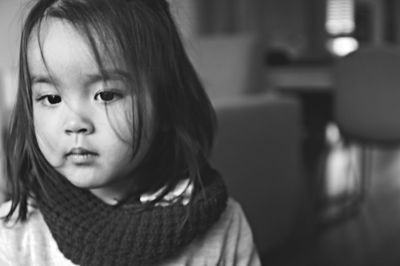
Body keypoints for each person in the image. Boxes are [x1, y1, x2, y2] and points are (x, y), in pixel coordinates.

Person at [0, 0, 261, 265]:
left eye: (106, 95)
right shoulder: (16, 233)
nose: (74, 123)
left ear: (165, 104)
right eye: (51, 98)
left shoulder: (222, 223)